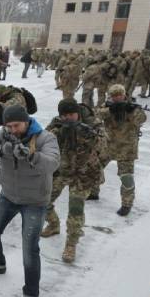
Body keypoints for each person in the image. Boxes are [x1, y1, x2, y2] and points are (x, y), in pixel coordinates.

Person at [0, 105, 60, 297]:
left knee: (29, 251)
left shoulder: (44, 137)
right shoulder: (4, 134)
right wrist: (0, 149)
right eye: (8, 126)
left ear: (27, 121)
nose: (12, 130)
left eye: (17, 125)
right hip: (9, 196)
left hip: (35, 201)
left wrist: (32, 156)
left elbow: (53, 163)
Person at [41, 99, 104, 263]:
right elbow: (43, 141)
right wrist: (58, 132)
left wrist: (84, 135)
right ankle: (54, 225)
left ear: (78, 113)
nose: (69, 118)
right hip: (61, 171)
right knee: (43, 201)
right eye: (65, 115)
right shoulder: (57, 124)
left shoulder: (92, 123)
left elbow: (103, 145)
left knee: (75, 210)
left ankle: (71, 244)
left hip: (83, 174)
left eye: (71, 114)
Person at [88, 84, 147, 216]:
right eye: (114, 95)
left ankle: (126, 204)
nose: (117, 97)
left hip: (126, 148)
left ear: (124, 95)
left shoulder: (132, 107)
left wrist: (130, 110)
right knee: (94, 167)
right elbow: (96, 114)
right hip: (108, 146)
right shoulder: (107, 106)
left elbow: (142, 119)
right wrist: (112, 110)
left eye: (119, 95)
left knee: (126, 177)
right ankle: (93, 191)